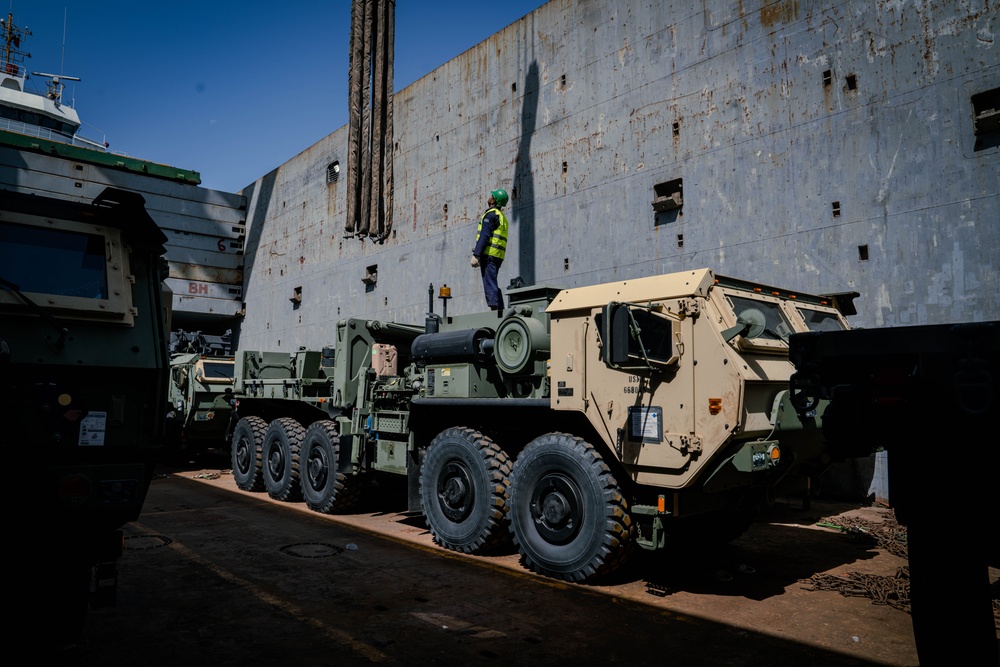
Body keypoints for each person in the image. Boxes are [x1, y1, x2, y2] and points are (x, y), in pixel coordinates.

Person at [470, 188, 509, 310]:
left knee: (489, 283)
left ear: (493, 200)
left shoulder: (490, 215)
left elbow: (485, 235)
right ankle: (499, 309)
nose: (490, 196)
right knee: (493, 282)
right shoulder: (501, 217)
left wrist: (477, 255)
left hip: (489, 256)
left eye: (492, 195)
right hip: (498, 255)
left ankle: (495, 311)